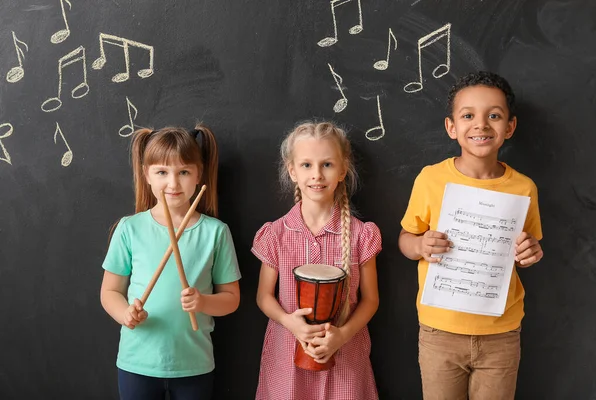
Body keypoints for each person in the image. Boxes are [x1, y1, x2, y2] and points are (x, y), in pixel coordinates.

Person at [398, 71, 544, 400]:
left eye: (494, 115)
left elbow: (528, 249)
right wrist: (420, 245)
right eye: (468, 116)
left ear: (509, 127)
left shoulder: (524, 188)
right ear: (452, 127)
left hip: (500, 333)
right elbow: (406, 239)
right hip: (439, 331)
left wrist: (532, 252)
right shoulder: (431, 179)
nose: (481, 125)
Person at [100, 125, 241, 400]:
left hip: (194, 365)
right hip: (136, 363)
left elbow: (232, 298)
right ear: (146, 175)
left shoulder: (215, 232)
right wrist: (124, 313)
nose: (173, 184)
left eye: (184, 172)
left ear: (198, 174)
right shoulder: (129, 228)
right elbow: (110, 291)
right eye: (162, 172)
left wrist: (203, 302)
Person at [252, 121, 381, 400]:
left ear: (343, 169)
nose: (317, 175)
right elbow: (264, 296)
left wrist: (342, 336)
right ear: (293, 171)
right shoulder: (275, 234)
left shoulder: (361, 234)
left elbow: (371, 300)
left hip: (346, 356)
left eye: (327, 164)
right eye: (307, 165)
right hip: (287, 354)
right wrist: (290, 322)